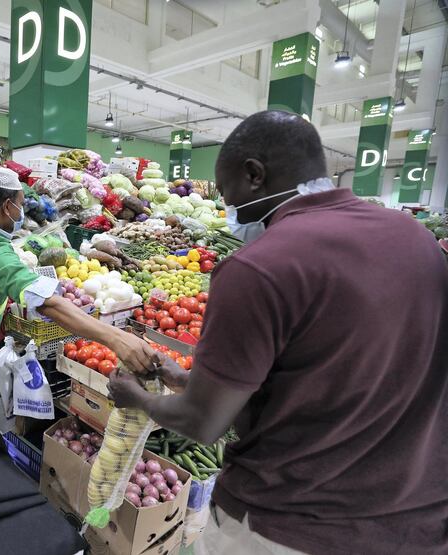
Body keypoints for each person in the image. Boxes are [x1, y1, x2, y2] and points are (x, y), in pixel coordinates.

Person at [108, 111, 448, 555]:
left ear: (254, 175)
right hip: (415, 522)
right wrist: (183, 378)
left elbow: (203, 423)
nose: (230, 212)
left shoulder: (258, 268)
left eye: (228, 196)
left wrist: (137, 398)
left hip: (289, 525)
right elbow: (321, 375)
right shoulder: (416, 238)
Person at [0, 166, 156, 401]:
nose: (21, 211)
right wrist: (116, 338)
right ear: (7, 207)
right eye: (20, 205)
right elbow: (50, 305)